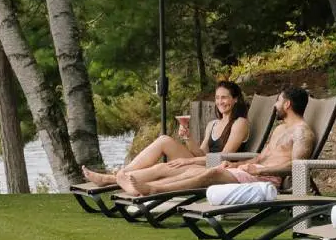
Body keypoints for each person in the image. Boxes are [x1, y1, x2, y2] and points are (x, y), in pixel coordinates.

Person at [123, 85, 315, 196]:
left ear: (288, 104)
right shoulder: (280, 129)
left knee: (210, 174)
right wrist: (235, 163)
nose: (275, 105)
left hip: (265, 180)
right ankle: (140, 185)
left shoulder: (302, 133)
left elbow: (297, 166)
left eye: (278, 101)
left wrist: (261, 170)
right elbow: (259, 158)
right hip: (248, 173)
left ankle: (155, 190)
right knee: (192, 170)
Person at [82, 80, 250, 187]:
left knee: (162, 167)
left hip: (220, 169)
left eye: (225, 98)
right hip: (203, 162)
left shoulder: (239, 123)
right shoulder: (213, 124)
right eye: (218, 98)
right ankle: (122, 173)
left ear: (235, 99)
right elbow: (201, 153)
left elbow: (223, 157)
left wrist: (188, 161)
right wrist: (188, 138)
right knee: (164, 139)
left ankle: (110, 179)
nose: (220, 102)